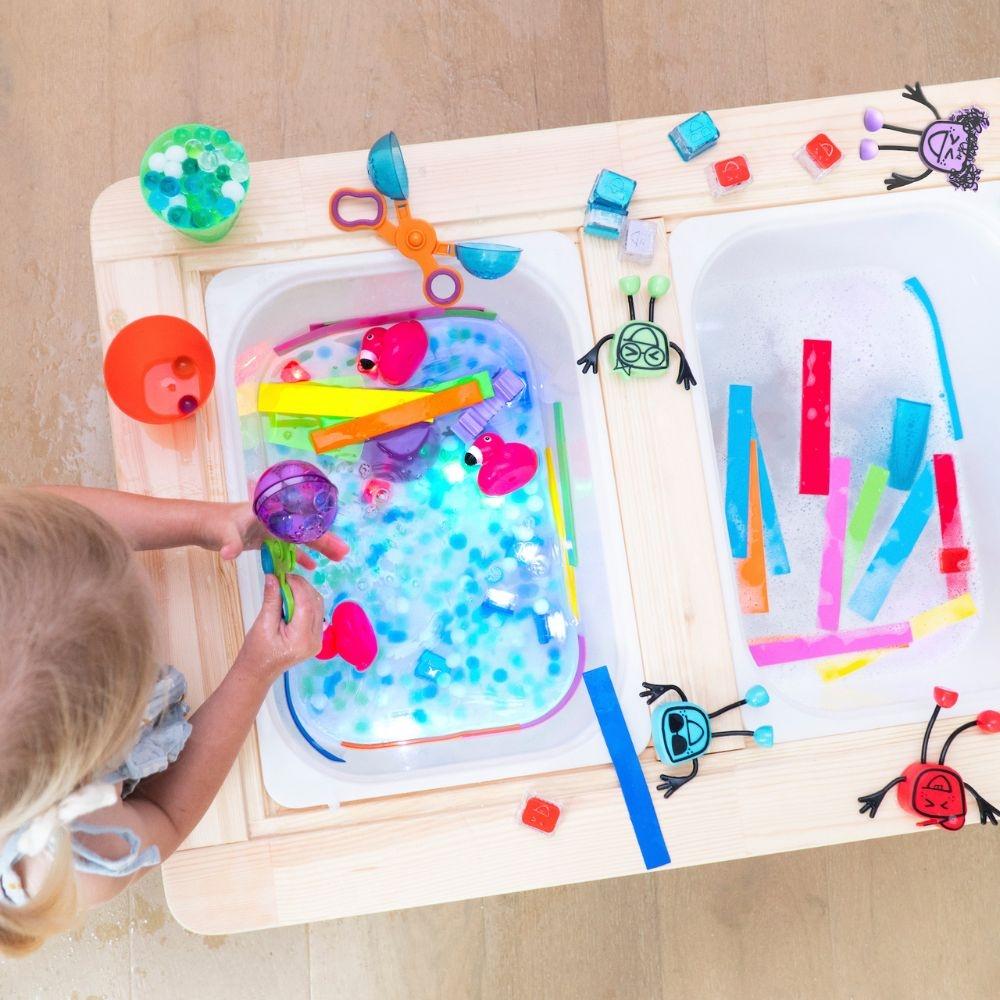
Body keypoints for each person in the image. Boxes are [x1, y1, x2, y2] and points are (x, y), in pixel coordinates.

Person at [0, 486, 346, 955]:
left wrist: (206, 522)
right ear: (119, 727)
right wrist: (257, 668)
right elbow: (163, 816)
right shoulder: (73, 857)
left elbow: (55, 523)